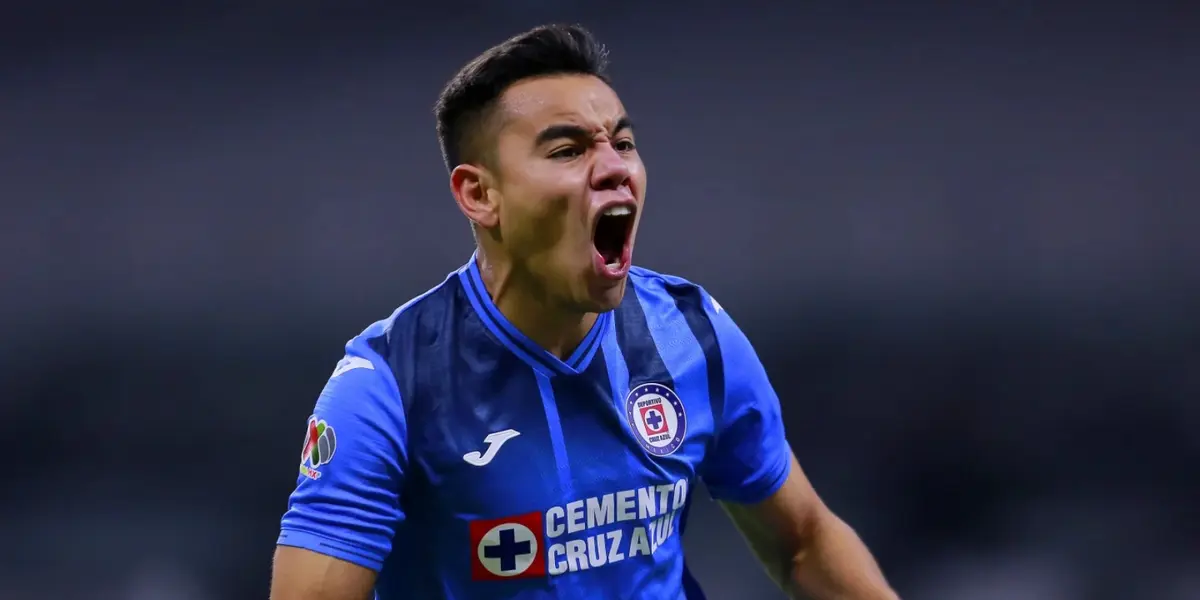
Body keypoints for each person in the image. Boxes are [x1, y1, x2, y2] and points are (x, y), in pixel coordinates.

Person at [269, 23, 898, 600]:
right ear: (480, 194)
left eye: (622, 142)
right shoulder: (386, 386)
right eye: (568, 150)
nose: (614, 167)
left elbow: (806, 540)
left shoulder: (689, 331)